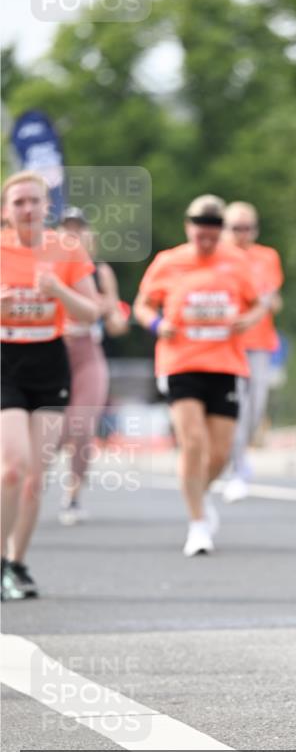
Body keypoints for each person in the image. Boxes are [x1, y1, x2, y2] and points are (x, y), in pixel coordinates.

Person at [133, 195, 265, 556]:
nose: (204, 240)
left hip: (225, 364)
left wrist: (247, 321)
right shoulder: (169, 262)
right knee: (193, 442)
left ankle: (200, 495)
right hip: (180, 362)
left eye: (212, 234)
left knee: (220, 453)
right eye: (198, 232)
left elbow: (258, 304)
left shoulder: (237, 262)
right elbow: (142, 304)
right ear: (187, 228)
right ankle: (197, 525)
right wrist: (157, 324)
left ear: (220, 232)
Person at [1, 172, 100, 600]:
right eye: (18, 202)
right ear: (6, 210)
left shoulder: (67, 249)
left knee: (35, 479)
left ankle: (16, 564)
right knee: (10, 467)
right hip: (4, 361)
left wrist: (59, 288)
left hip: (49, 363)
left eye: (33, 202)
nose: (26, 209)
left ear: (47, 208)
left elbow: (93, 311)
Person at [58, 207, 130, 524]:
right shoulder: (45, 269)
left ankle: (73, 495)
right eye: (67, 229)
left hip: (89, 353)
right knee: (52, 432)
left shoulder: (100, 272)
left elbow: (116, 322)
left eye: (79, 229)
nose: (73, 235)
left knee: (83, 427)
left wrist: (110, 312)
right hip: (53, 353)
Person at [221, 202, 283, 503]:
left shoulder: (266, 257)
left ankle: (238, 458)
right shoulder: (217, 257)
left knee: (256, 407)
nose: (241, 234)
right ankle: (236, 467)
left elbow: (269, 296)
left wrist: (254, 311)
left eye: (247, 228)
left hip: (259, 343)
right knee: (238, 407)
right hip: (226, 344)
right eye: (235, 228)